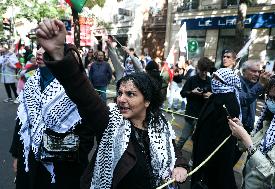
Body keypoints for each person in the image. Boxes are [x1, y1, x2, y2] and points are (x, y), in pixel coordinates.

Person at [36, 19, 188, 189]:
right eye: (120, 93)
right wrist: (58, 53)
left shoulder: (160, 124)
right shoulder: (110, 121)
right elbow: (82, 92)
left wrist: (181, 165)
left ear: (147, 101)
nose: (121, 99)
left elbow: (174, 151)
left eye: (130, 94)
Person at [9, 47, 95, 189]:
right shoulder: (30, 83)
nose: (39, 52)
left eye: (46, 49)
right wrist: (18, 156)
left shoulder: (75, 87)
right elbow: (22, 122)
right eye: (39, 47)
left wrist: (51, 147)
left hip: (63, 169)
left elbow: (86, 135)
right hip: (30, 163)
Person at [228, 73, 275, 188]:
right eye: (268, 96)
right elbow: (248, 146)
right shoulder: (267, 124)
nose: (270, 102)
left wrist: (245, 139)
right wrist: (241, 132)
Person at [191, 68, 241, 189]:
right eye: (213, 77)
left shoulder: (230, 103)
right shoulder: (216, 96)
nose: (214, 81)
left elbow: (221, 140)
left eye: (218, 79)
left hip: (212, 158)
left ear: (227, 82)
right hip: (201, 148)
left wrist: (207, 162)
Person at [176, 57, 212, 150]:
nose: (204, 73)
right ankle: (174, 155)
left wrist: (210, 95)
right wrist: (192, 92)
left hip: (203, 115)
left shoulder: (210, 81)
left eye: (206, 71)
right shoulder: (192, 79)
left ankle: (193, 161)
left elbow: (215, 97)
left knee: (197, 141)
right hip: (191, 113)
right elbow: (182, 93)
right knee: (183, 137)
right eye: (202, 70)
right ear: (198, 68)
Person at [239, 60, 272, 133]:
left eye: (259, 72)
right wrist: (260, 84)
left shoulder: (255, 83)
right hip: (238, 127)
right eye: (254, 71)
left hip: (249, 127)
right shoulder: (237, 82)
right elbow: (244, 100)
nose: (257, 74)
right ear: (244, 71)